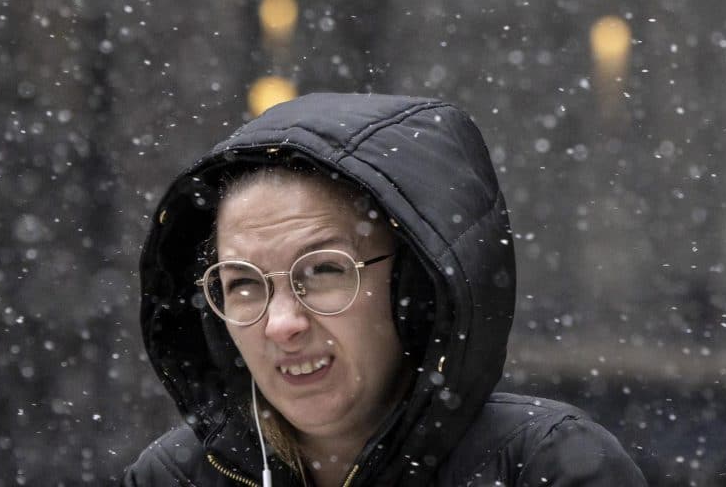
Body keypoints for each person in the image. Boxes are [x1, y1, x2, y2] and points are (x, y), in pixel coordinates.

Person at [124, 93, 647, 486]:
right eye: (243, 284)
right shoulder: (173, 478)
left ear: (413, 286)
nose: (282, 324)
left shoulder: (542, 467)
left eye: (322, 272)